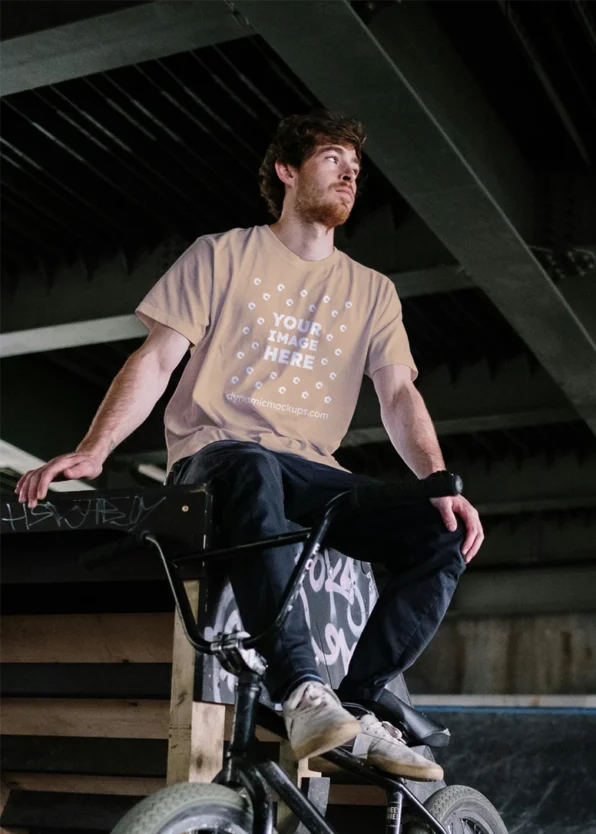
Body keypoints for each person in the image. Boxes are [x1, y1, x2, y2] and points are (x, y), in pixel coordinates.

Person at [15, 111, 483, 781]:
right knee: (253, 463)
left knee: (436, 532)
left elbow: (399, 394)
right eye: (331, 158)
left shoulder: (372, 292)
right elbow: (157, 359)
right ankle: (303, 691)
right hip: (219, 457)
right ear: (287, 172)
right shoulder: (222, 255)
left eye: (356, 165)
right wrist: (96, 447)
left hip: (313, 471)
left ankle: (356, 707)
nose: (349, 171)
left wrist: (437, 482)